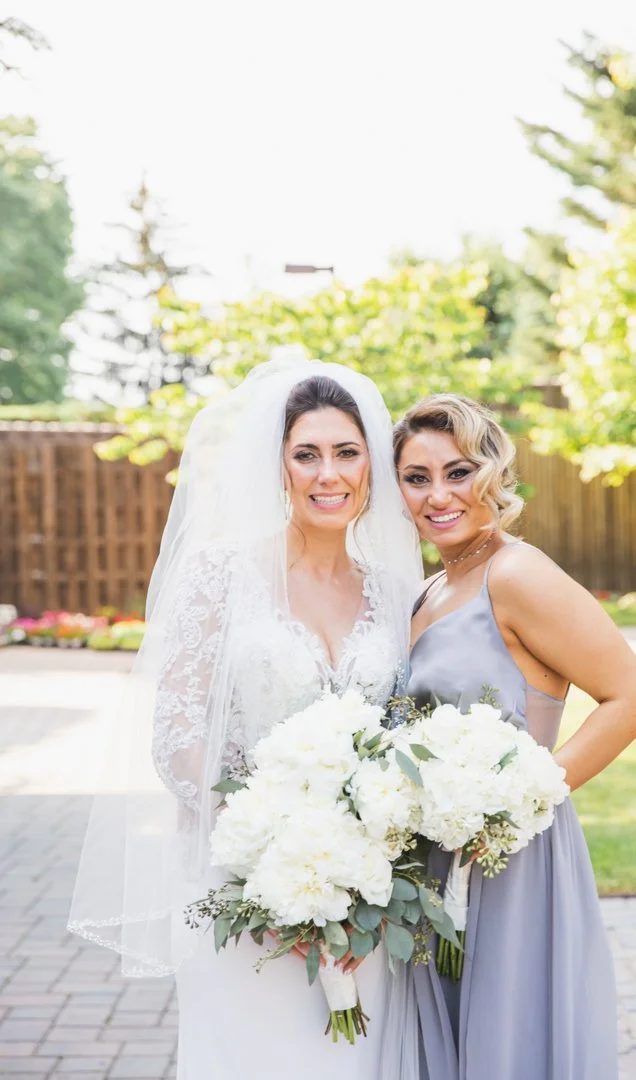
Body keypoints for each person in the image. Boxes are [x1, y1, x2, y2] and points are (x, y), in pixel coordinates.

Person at [68, 353, 423, 1079]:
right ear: (278, 466)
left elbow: (406, 733)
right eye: (306, 454)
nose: (328, 474)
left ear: (371, 467)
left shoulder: (397, 594)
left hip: (366, 894)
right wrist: (277, 857)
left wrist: (354, 863)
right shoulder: (219, 575)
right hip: (242, 884)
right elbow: (178, 737)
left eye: (347, 453)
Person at [391, 393, 636, 1080]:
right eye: (416, 478)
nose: (438, 495)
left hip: (510, 863)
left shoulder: (517, 574)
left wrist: (518, 803)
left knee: (507, 1046)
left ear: (494, 475)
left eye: (458, 472)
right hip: (430, 866)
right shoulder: (427, 591)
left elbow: (633, 699)